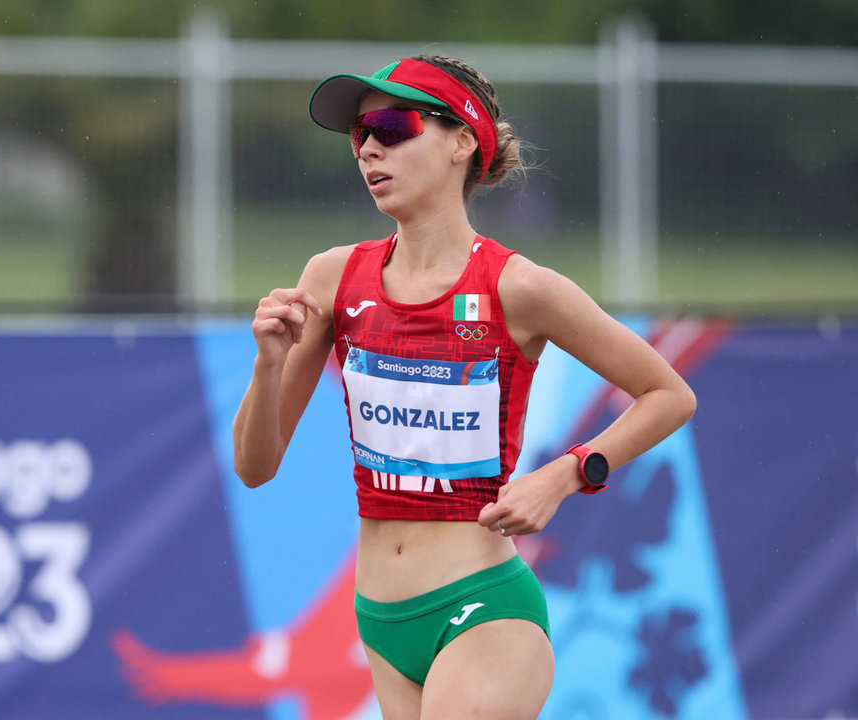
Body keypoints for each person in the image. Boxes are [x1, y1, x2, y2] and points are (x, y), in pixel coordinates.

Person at [232, 55, 696, 720]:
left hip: (483, 609)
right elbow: (254, 468)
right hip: (383, 619)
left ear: (461, 141)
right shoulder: (332, 277)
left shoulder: (520, 286)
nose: (368, 147)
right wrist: (268, 363)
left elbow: (669, 394)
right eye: (359, 134)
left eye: (393, 126)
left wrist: (565, 475)